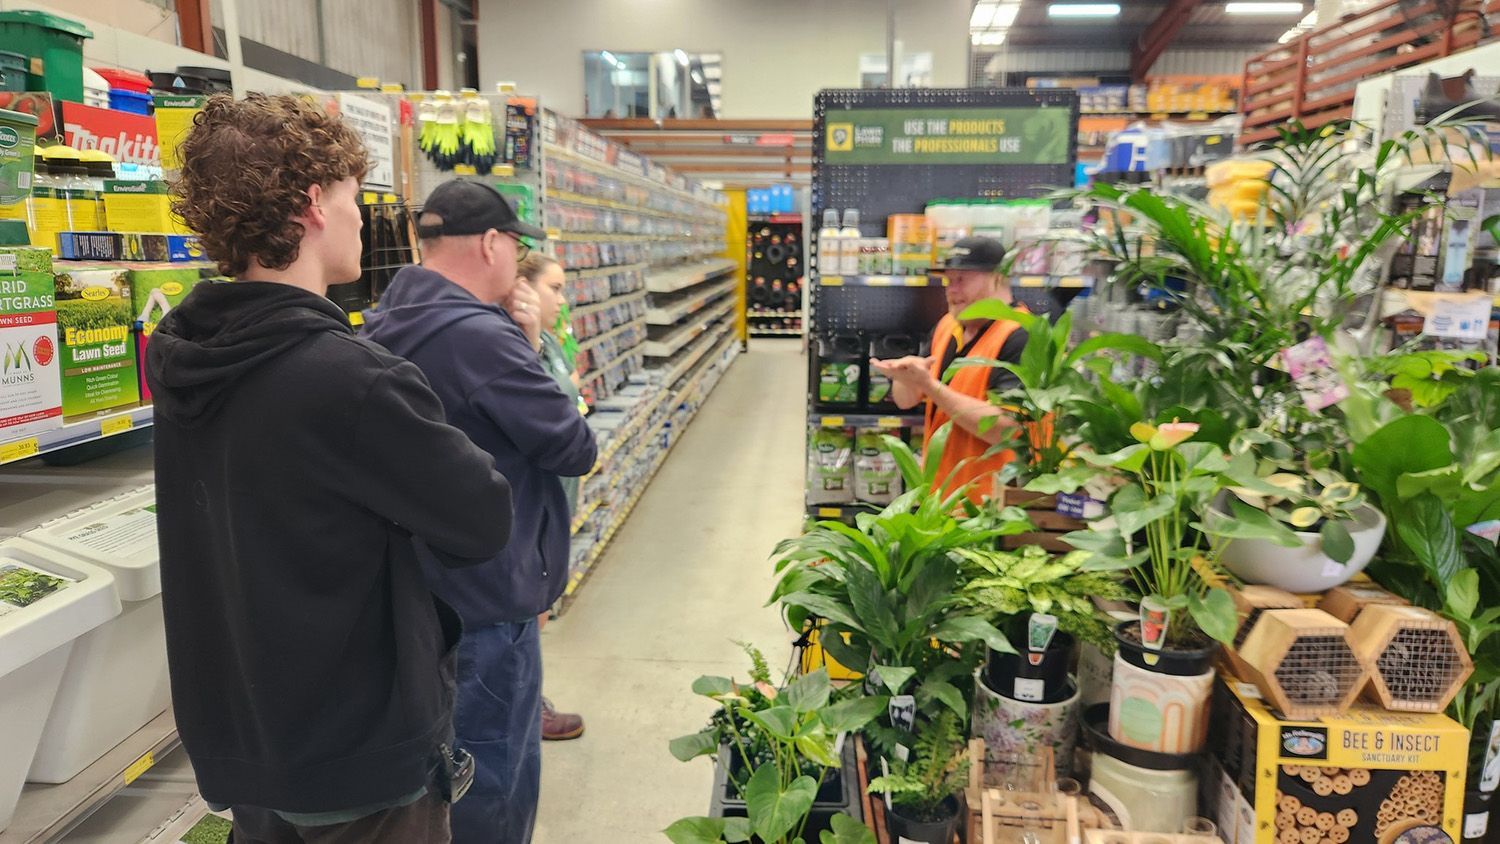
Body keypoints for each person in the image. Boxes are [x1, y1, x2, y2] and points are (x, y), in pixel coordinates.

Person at [150, 94, 515, 843]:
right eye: (354, 196)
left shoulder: (182, 356)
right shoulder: (353, 380)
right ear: (314, 203)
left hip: (250, 744)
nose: (362, 215)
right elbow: (482, 517)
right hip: (358, 762)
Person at [363, 179, 598, 844]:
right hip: (488, 598)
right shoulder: (481, 339)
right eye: (515, 245)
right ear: (492, 243)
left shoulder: (388, 318)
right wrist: (529, 343)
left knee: (449, 775)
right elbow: (574, 445)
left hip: (426, 592)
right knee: (494, 778)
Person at [869, 235, 1028, 499]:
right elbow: (906, 401)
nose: (951, 290)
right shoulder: (948, 326)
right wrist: (906, 378)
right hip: (940, 497)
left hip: (990, 506)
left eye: (962, 280)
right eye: (948, 280)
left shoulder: (1020, 336)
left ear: (998, 278)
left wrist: (930, 386)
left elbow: (1006, 429)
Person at [516, 253, 588, 742]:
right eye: (554, 288)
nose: (561, 299)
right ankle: (526, 706)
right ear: (523, 290)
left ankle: (528, 697)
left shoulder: (550, 342)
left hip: (560, 493)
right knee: (529, 608)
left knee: (540, 607)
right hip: (536, 499)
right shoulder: (519, 349)